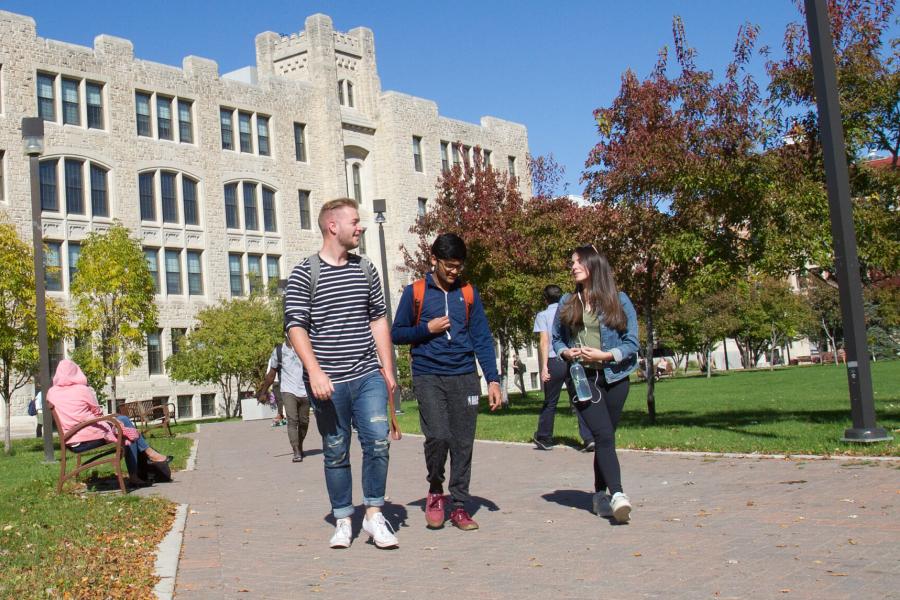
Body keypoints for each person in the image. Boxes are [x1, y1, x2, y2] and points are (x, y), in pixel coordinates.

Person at [284, 197, 400, 550]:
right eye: (355, 220)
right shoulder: (306, 272)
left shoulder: (366, 269)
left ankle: (374, 514)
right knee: (335, 450)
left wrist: (388, 368)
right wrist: (315, 371)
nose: (360, 226)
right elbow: (295, 326)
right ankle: (343, 518)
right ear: (333, 226)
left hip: (367, 373)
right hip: (328, 381)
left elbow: (378, 318)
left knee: (378, 440)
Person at [391, 233, 503, 531]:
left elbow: (482, 338)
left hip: (465, 375)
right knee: (438, 436)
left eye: (459, 266)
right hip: (429, 374)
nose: (455, 271)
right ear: (434, 260)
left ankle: (460, 506)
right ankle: (436, 490)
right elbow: (397, 333)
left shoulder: (468, 293)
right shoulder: (415, 292)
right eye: (449, 265)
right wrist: (426, 328)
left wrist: (492, 379)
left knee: (463, 442)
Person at [552, 246, 639, 523]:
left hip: (616, 377)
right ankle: (618, 495)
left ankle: (599, 494)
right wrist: (566, 352)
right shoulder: (568, 301)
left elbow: (632, 343)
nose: (573, 267)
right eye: (572, 263)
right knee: (603, 436)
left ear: (593, 265)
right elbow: (557, 339)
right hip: (583, 379)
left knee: (606, 439)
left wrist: (605, 355)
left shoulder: (619, 300)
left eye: (578, 262)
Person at [47, 359, 172, 487]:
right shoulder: (82, 390)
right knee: (124, 426)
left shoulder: (51, 393)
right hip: (88, 438)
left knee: (122, 421)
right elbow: (97, 413)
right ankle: (141, 466)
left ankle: (148, 457)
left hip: (71, 440)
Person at [532, 284, 593, 451]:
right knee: (579, 398)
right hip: (573, 358)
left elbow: (544, 342)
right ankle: (589, 438)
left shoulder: (543, 315)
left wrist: (544, 367)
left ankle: (544, 437)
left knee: (550, 401)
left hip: (554, 359)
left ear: (546, 299)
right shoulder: (570, 311)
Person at [259, 341, 310, 462]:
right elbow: (271, 374)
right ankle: (296, 450)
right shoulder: (279, 351)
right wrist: (263, 392)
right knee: (292, 420)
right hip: (288, 390)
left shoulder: (306, 345)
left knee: (304, 421)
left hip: (305, 391)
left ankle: (299, 443)